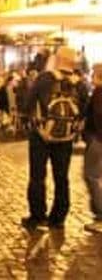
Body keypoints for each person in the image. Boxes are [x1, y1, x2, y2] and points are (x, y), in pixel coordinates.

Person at [21, 46, 88, 231]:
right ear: (73, 62)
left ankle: (37, 217)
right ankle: (58, 218)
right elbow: (84, 111)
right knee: (61, 178)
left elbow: (27, 103)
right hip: (65, 138)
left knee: (37, 176)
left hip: (41, 135)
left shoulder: (44, 79)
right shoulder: (80, 84)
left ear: (57, 59)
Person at [84, 64, 102, 233]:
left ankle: (100, 216)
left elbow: (97, 116)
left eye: (93, 74)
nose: (90, 77)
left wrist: (92, 136)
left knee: (92, 176)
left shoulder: (98, 93)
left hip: (98, 140)